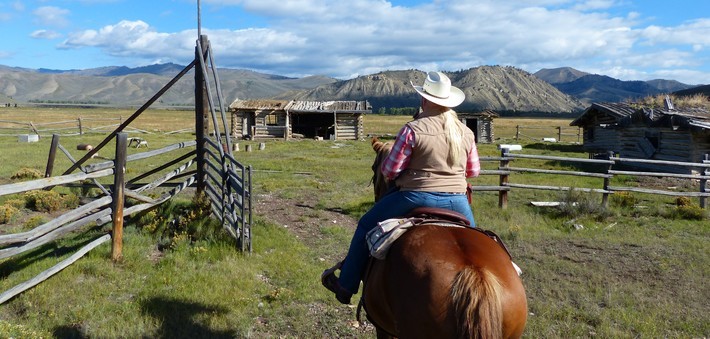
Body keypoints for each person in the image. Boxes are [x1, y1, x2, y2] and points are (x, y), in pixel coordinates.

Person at [322, 71, 481, 304]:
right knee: (475, 246)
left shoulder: (413, 129)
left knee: (365, 225)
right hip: (456, 201)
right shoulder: (465, 132)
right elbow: (473, 171)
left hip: (414, 197)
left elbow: (390, 170)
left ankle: (346, 285)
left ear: (424, 100)